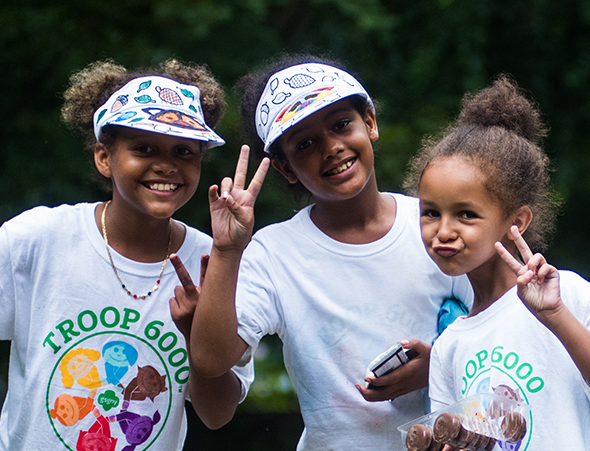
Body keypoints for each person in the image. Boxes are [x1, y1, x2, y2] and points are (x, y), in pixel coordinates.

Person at [0, 60, 257, 450]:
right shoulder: (44, 237)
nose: (167, 164)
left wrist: (194, 335)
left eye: (184, 151)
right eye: (144, 148)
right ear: (104, 157)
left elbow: (217, 415)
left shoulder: (215, 259)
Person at [185, 55, 471, 449]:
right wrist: (227, 249)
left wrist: (437, 367)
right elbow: (211, 361)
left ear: (369, 122)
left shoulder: (434, 225)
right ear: (286, 169)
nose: (332, 147)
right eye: (305, 144)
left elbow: (505, 327)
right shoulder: (274, 253)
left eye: (341, 125)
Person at [411, 77, 590, 450]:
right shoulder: (450, 345)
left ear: (516, 222)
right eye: (431, 213)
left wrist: (555, 316)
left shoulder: (567, 296)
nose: (443, 231)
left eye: (466, 215)